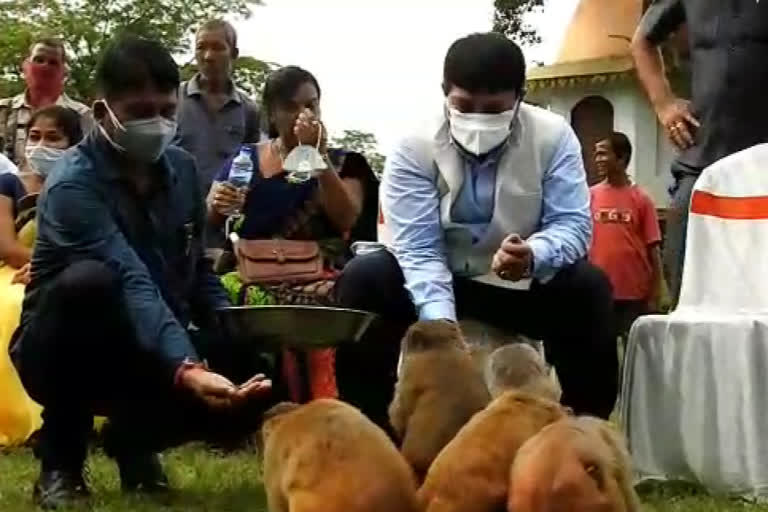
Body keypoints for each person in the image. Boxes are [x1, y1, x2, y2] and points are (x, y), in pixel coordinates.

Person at [9, 36, 274, 509]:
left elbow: (195, 268)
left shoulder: (183, 170)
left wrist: (236, 328)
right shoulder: (72, 184)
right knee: (89, 284)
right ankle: (61, 461)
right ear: (102, 110)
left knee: (247, 356)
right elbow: (130, 278)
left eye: (165, 110)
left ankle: (135, 442)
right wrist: (188, 367)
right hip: (64, 343)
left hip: (151, 336)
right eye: (139, 110)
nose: (155, 123)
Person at [333, 33, 618, 428]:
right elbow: (418, 250)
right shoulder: (414, 146)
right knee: (363, 280)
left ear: (519, 98)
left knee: (589, 289)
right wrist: (442, 329)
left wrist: (535, 255)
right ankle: (374, 432)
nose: (478, 119)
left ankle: (584, 432)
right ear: (444, 93)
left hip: (519, 285)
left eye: (494, 108)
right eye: (464, 106)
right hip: (437, 281)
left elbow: (572, 224)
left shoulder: (553, 137)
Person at [208, 65, 364, 403]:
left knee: (327, 300)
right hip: (249, 271)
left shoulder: (342, 162)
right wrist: (221, 202)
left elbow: (346, 217)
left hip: (318, 271)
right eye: (292, 107)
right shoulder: (246, 159)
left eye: (312, 105)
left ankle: (321, 402)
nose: (304, 115)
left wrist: (317, 156)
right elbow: (211, 215)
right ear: (273, 114)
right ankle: (240, 402)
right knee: (218, 295)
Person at [631, 0, 768, 303]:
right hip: (705, 158)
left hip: (763, 164)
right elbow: (642, 41)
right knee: (683, 263)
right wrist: (664, 103)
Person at [0, 106, 83, 448]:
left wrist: (48, 267)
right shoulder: (8, 183)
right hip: (12, 270)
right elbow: (5, 244)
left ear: (72, 143)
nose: (41, 144)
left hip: (66, 269)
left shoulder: (81, 184)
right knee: (10, 304)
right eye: (35, 136)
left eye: (53, 138)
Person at [174, 19, 261, 248]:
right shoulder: (172, 99)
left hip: (224, 232)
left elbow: (255, 165)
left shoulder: (249, 110)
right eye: (201, 47)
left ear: (234, 53)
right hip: (174, 225)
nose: (208, 56)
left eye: (218, 47)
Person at [588, 133, 663, 339]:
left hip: (634, 294)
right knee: (602, 351)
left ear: (621, 158)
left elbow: (653, 248)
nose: (598, 159)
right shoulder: (589, 196)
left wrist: (656, 292)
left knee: (635, 351)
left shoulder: (642, 199)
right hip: (598, 292)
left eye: (603, 154)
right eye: (596, 155)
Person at [0, 37, 91, 165]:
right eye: (39, 60)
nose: (45, 66)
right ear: (25, 66)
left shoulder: (83, 116)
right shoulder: (3, 111)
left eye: (53, 62)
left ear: (64, 71)